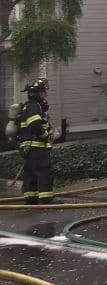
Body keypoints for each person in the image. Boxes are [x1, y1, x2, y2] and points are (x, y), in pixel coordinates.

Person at [16, 77, 54, 205]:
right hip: (36, 146)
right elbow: (35, 125)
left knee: (31, 172)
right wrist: (45, 135)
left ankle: (31, 198)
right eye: (44, 92)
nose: (46, 94)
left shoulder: (28, 106)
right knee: (44, 170)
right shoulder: (34, 106)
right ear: (37, 93)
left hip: (28, 147)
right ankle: (46, 199)